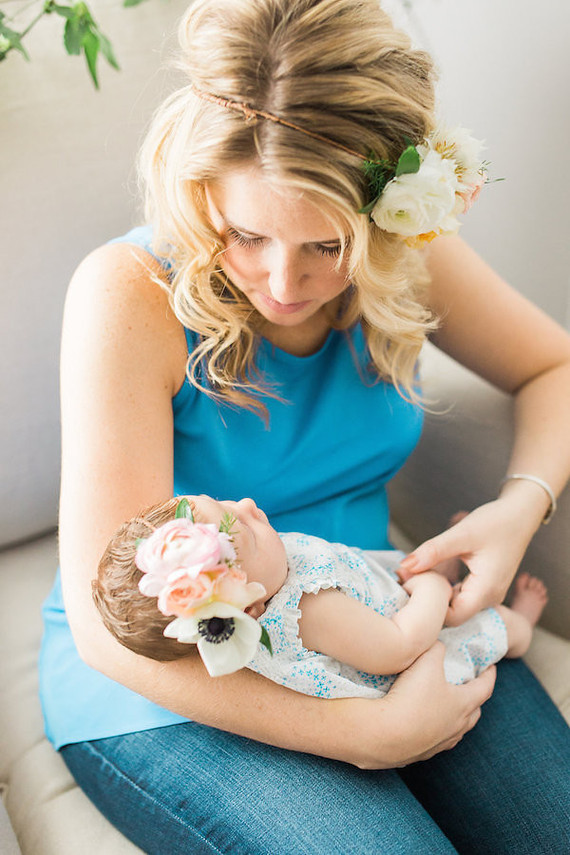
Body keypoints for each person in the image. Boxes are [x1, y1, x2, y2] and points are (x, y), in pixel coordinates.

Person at [39, 0, 570, 852]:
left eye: (326, 244)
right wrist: (370, 734)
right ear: (201, 190)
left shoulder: (408, 250)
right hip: (182, 677)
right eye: (246, 233)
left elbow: (557, 367)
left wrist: (519, 508)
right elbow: (113, 627)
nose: (282, 281)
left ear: (388, 214)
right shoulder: (127, 293)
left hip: (380, 609)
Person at [93, 494, 548, 697]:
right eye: (242, 528)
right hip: (411, 635)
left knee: (405, 567)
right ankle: (521, 621)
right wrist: (431, 592)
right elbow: (398, 649)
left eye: (227, 504)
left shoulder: (269, 574)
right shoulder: (310, 610)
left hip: (373, 589)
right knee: (494, 627)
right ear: (249, 607)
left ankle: (435, 567)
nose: (247, 505)